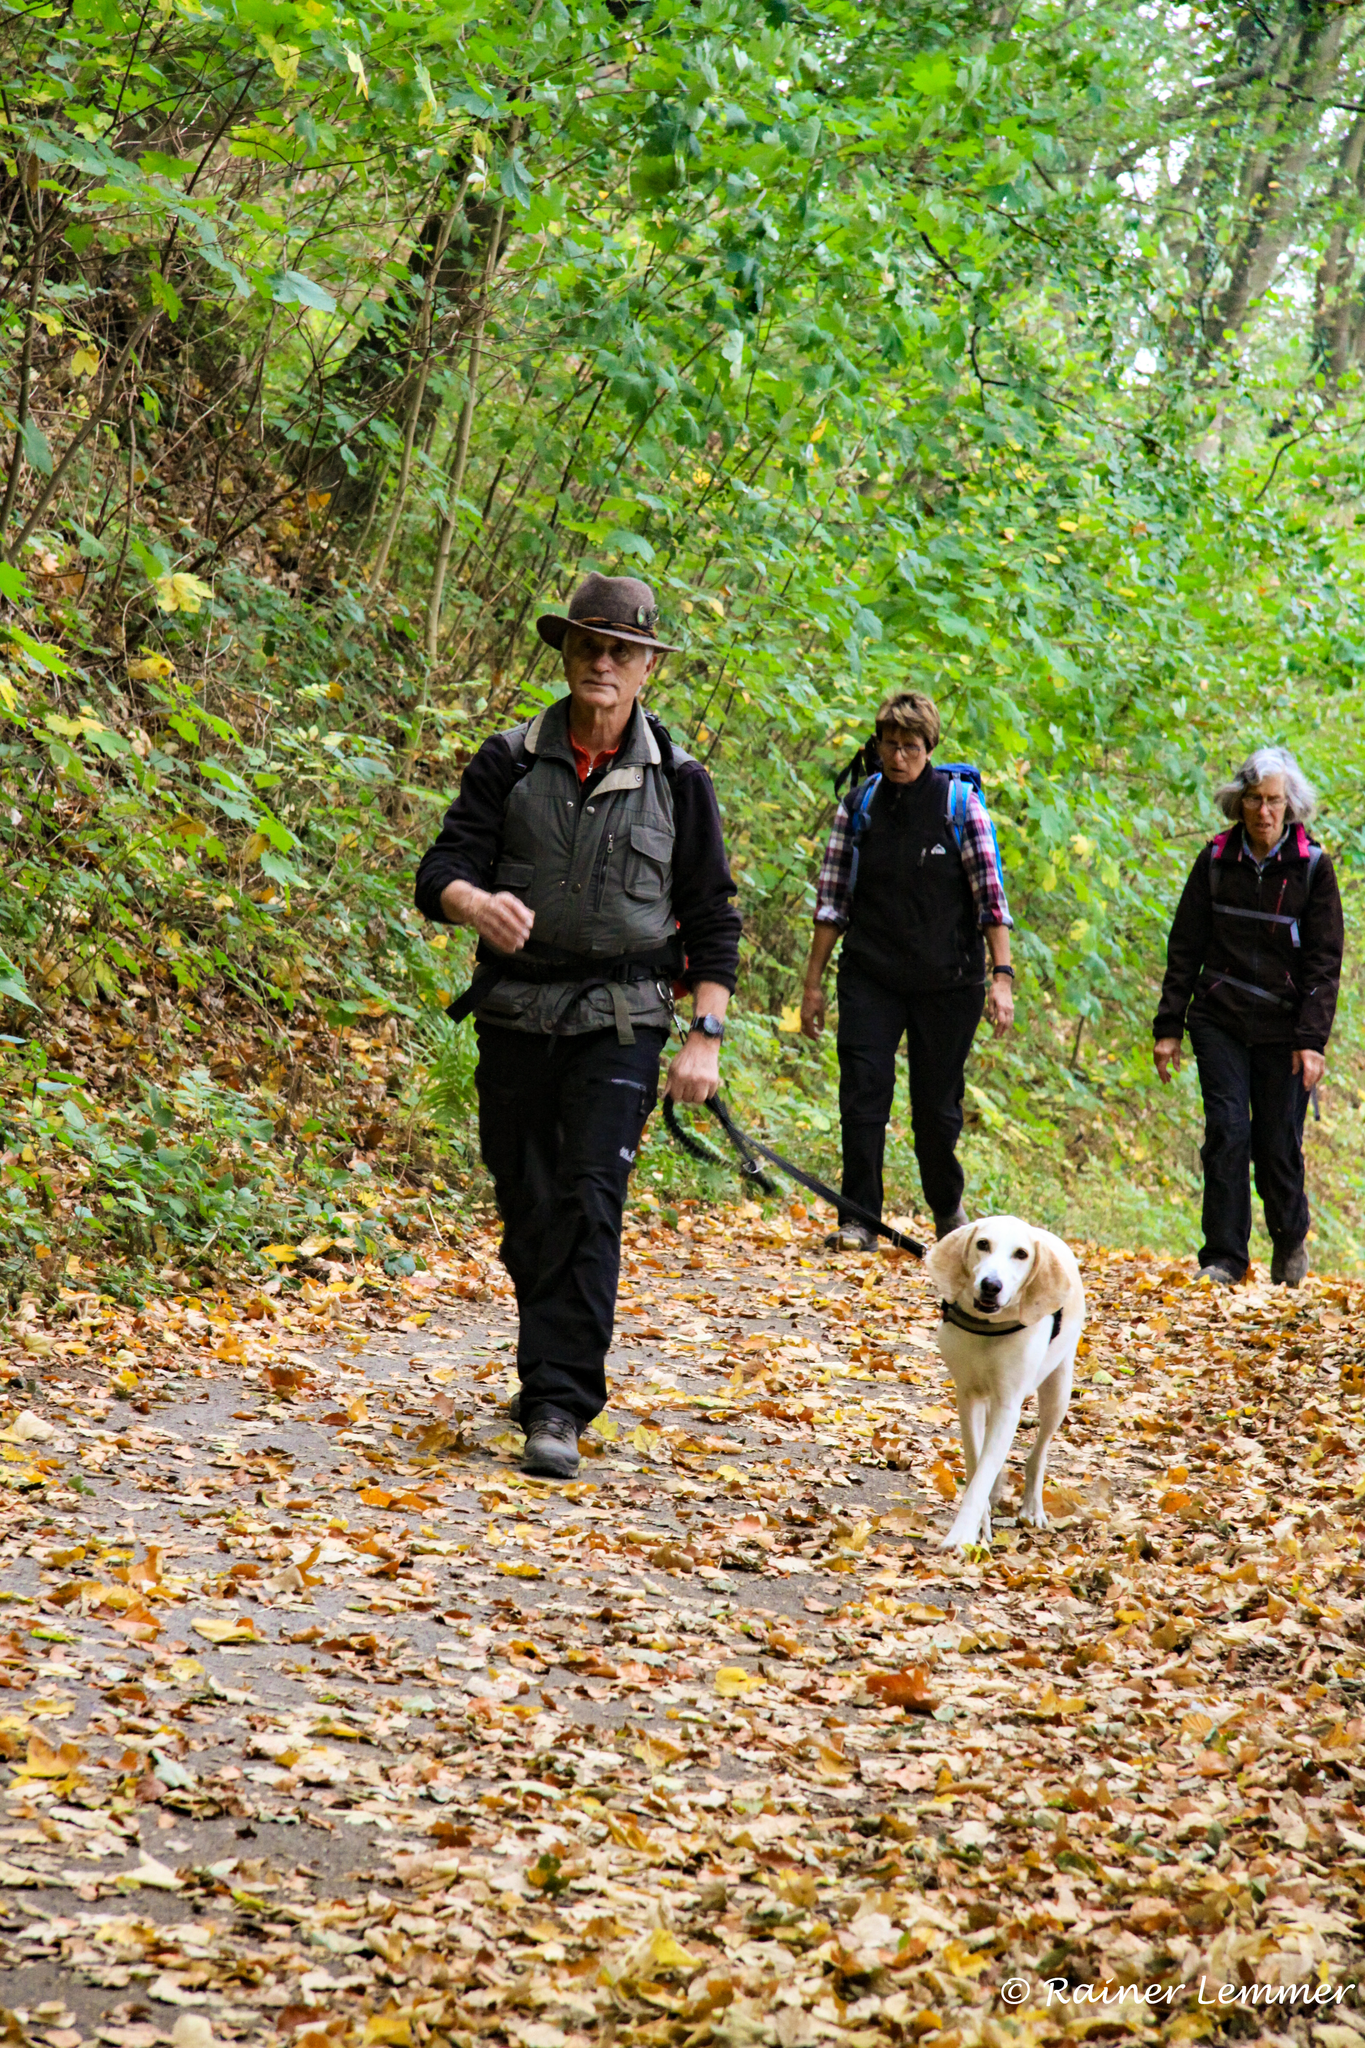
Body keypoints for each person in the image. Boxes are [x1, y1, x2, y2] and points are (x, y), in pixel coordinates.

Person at [415, 573, 741, 1478]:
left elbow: (712, 917)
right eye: (588, 645)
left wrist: (704, 1035)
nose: (603, 662)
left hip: (624, 1020)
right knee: (527, 1202)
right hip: (516, 1013)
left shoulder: (679, 780)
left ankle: (558, 1401)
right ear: (563, 654)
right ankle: (548, 1363)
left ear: (646, 670)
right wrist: (472, 902)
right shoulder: (509, 759)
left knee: (588, 1199)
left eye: (622, 651)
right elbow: (439, 867)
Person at [800, 689, 1015, 1248]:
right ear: (877, 746)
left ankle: (947, 1208)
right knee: (863, 1091)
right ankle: (858, 1218)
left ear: (929, 748)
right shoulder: (859, 807)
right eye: (890, 745)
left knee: (935, 1108)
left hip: (949, 980)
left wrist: (1002, 977)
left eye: (911, 747)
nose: (899, 757)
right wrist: (813, 985)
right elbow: (831, 901)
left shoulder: (959, 806)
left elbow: (990, 896)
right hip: (871, 973)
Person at [1153, 745, 1342, 1288]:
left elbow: (1324, 963)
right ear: (1239, 804)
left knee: (1277, 1144)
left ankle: (1289, 1239)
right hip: (1221, 1018)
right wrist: (1169, 1026)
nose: (1264, 812)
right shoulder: (1215, 861)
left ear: (1291, 806)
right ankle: (1225, 1257)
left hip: (1285, 1028)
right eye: (1255, 800)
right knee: (1228, 1130)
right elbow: (1185, 947)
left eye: (1274, 802)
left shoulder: (1312, 867)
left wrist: (1312, 1040)